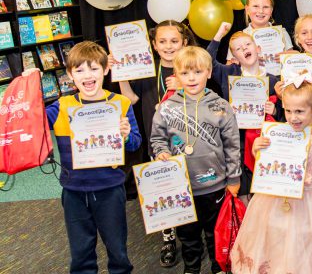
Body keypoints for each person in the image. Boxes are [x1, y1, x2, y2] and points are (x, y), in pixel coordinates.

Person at [25, 41, 142, 273]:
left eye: (94, 68)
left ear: (106, 69)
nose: (87, 76)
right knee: (80, 253)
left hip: (110, 188)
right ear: (70, 75)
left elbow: (136, 144)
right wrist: (28, 86)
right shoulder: (61, 106)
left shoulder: (121, 103)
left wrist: (127, 135)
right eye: (79, 70)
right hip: (74, 191)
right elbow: (32, 121)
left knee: (118, 250)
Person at [230, 76, 312, 273]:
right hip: (279, 200)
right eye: (288, 111)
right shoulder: (276, 133)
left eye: (300, 111)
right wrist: (255, 150)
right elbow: (264, 166)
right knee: (279, 240)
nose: (293, 117)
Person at [150, 46, 242, 274]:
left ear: (209, 72)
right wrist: (161, 152)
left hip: (216, 185)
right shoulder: (166, 108)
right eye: (185, 73)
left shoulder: (221, 106)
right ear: (176, 75)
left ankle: (218, 267)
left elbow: (232, 145)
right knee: (188, 236)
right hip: (182, 187)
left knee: (215, 233)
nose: (192, 78)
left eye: (198, 72)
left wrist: (234, 178)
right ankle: (191, 268)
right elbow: (157, 139)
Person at [113, 19, 195, 267]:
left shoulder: (192, 67)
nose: (168, 46)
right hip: (157, 144)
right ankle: (168, 238)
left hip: (189, 143)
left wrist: (184, 86)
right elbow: (131, 98)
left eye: (174, 41)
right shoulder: (146, 68)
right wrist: (121, 74)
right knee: (164, 192)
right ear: (154, 44)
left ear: (184, 42)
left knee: (190, 190)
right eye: (162, 41)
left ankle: (192, 238)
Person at [208, 23, 281, 197]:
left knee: (263, 190)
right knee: (241, 191)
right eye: (238, 49)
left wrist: (275, 110)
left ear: (258, 48)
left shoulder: (272, 80)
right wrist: (219, 34)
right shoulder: (229, 73)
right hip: (235, 142)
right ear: (235, 56)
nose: (244, 49)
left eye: (247, 45)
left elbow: (285, 113)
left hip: (262, 142)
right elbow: (207, 62)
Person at [229, 0, 293, 75]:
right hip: (252, 86)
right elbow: (229, 69)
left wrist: (289, 58)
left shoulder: (282, 33)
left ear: (271, 11)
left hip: (280, 84)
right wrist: (245, 62)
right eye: (255, 6)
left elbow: (293, 63)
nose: (261, 11)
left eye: (266, 7)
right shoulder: (238, 37)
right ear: (247, 9)